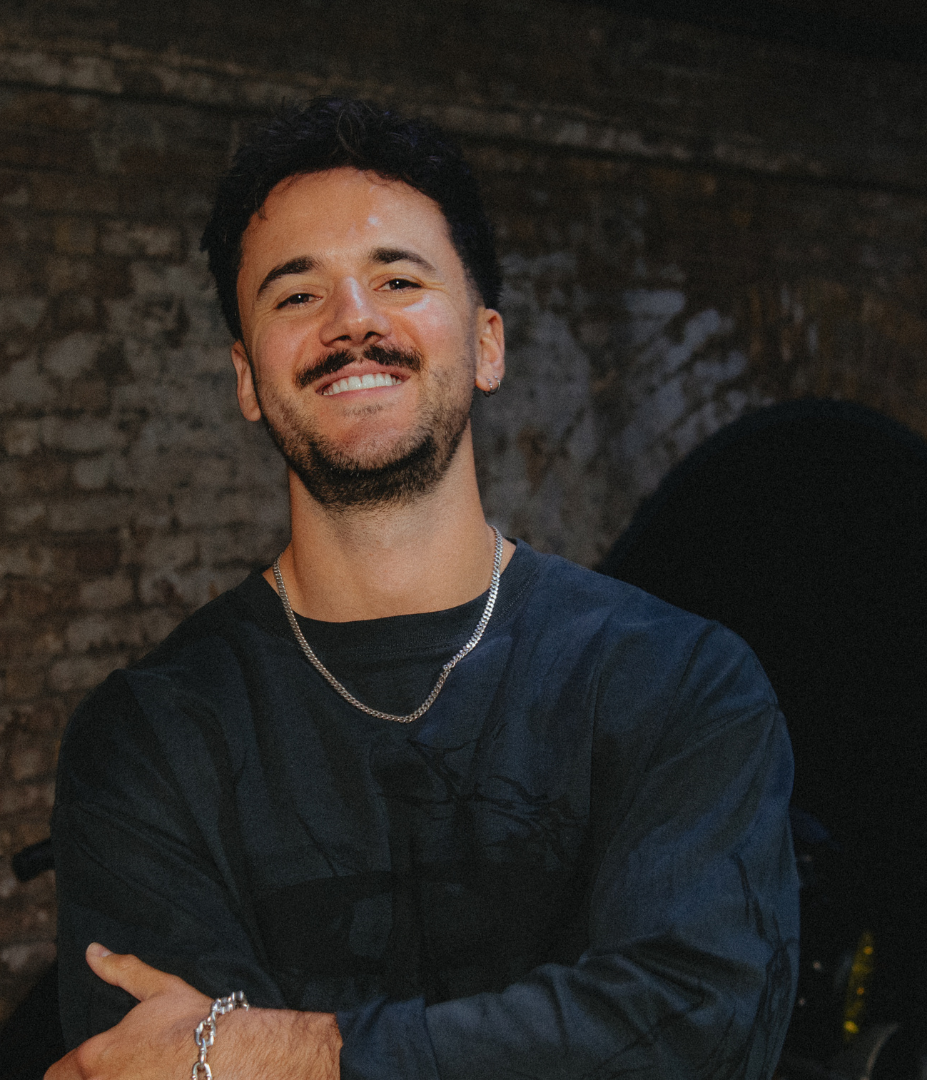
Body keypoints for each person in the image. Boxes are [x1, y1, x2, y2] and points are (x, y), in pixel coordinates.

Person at [44, 98, 797, 1080]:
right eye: (295, 296)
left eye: (397, 279)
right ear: (246, 376)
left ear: (486, 344)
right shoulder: (150, 737)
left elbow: (699, 1029)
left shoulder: (680, 684)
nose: (353, 323)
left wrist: (282, 1053)